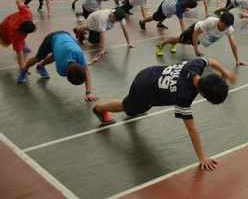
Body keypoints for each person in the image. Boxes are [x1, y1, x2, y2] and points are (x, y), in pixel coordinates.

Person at [91, 57, 236, 170]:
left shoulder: (195, 65)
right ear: (203, 95)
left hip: (150, 73)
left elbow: (211, 61)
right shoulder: (183, 95)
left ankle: (138, 108)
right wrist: (202, 157)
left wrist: (223, 71)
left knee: (142, 108)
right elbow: (191, 128)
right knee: (127, 107)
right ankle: (99, 108)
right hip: (143, 89)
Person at [17, 31, 98, 101]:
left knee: (55, 55)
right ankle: (24, 69)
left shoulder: (78, 53)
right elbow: (54, 57)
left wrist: (88, 93)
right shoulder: (61, 69)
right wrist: (87, 63)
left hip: (67, 38)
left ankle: (40, 67)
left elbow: (87, 72)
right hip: (53, 38)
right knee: (38, 58)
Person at [156, 13, 247, 66]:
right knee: (179, 39)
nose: (226, 28)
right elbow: (195, 33)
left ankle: (173, 43)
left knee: (185, 42)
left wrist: (237, 60)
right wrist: (196, 50)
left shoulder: (228, 28)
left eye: (228, 26)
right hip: (194, 30)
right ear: (220, 21)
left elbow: (233, 43)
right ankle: (160, 44)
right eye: (225, 25)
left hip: (201, 37)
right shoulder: (211, 22)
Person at [0, 0, 39, 69]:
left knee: (20, 41)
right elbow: (19, 54)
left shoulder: (27, 13)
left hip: (6, 22)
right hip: (3, 34)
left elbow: (18, 0)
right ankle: (23, 45)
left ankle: (24, 45)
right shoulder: (16, 38)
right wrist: (22, 68)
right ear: (25, 33)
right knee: (17, 42)